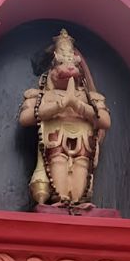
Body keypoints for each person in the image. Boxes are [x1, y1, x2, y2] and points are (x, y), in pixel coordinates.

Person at [19, 29, 111, 210]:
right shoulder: (41, 96)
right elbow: (25, 118)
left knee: (82, 163)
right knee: (58, 161)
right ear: (51, 70)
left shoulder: (91, 97)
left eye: (72, 64)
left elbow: (105, 121)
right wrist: (60, 105)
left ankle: (78, 200)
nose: (68, 67)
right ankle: (60, 198)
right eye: (61, 63)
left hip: (84, 140)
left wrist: (78, 106)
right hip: (55, 139)